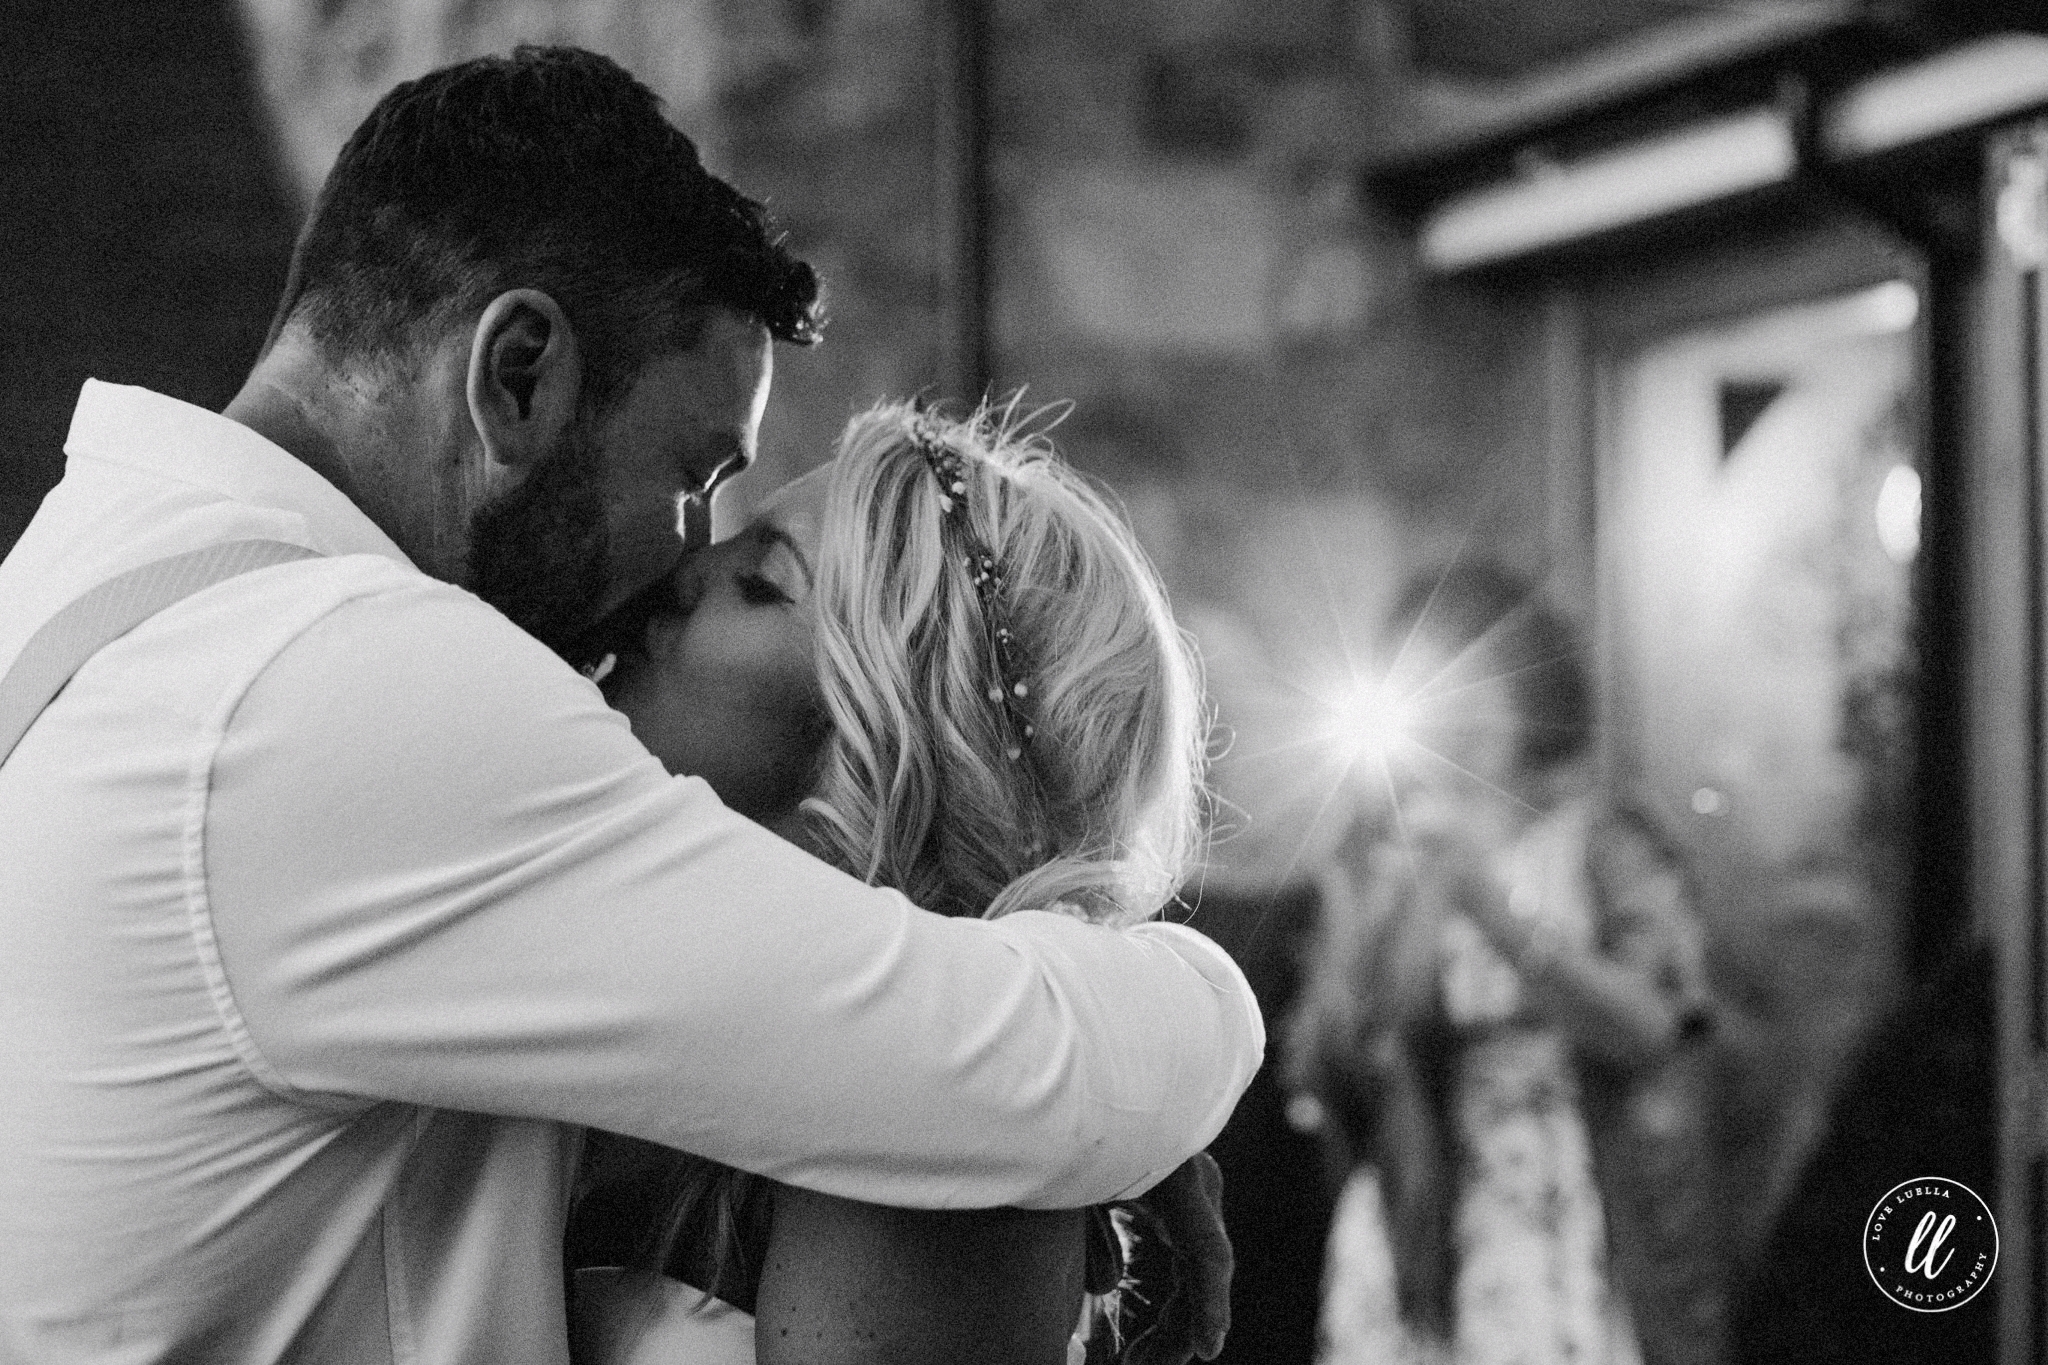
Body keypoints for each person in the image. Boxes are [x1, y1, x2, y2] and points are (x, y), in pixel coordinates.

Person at [0, 48, 1261, 1364]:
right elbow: (1024, 1074)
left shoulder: (104, 583)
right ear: (520, 372)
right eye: (691, 473)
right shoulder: (343, 688)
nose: (684, 558)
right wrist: (1175, 990)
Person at [564, 398, 1217, 1365]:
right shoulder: (612, 948)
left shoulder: (944, 1141)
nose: (676, 576)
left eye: (760, 581)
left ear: (881, 749)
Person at [1284, 562, 1719, 1365]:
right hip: (1418, 1217)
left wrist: (1489, 903)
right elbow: (1338, 1067)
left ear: (1531, 684)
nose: (1465, 710)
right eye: (1438, 686)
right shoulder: (1380, 852)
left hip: (1573, 1215)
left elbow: (1655, 1026)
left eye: (1481, 672)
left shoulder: (1603, 836)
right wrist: (1396, 896)